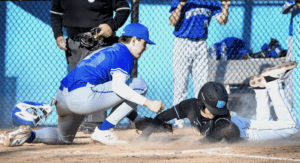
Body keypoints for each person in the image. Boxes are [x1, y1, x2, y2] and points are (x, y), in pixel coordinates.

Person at [1, 23, 165, 147]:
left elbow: (116, 97)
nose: (145, 48)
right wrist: (148, 103)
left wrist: (137, 119)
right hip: (83, 97)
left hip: (62, 97)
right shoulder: (124, 54)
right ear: (134, 40)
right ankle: (103, 131)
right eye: (144, 43)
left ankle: (25, 136)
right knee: (138, 84)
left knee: (64, 137)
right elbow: (119, 89)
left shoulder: (110, 50)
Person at [147, 62, 299, 142]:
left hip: (244, 133)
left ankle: (272, 82)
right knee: (267, 123)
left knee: (291, 127)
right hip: (239, 124)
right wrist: (146, 133)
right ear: (201, 103)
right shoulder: (190, 106)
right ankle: (260, 90)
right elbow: (163, 117)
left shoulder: (222, 118)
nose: (216, 113)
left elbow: (212, 140)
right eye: (212, 110)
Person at [50, 0, 131, 133]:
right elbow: (55, 13)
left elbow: (124, 8)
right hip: (74, 43)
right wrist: (58, 35)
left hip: (100, 42)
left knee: (98, 82)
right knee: (77, 85)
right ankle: (76, 124)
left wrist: (112, 26)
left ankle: (96, 123)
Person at [169, 0, 231, 128]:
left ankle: (202, 121)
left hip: (201, 44)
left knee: (202, 86)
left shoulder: (210, 2)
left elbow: (222, 21)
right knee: (180, 86)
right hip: (182, 43)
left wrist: (225, 6)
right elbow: (172, 22)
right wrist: (181, 5)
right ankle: (179, 122)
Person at [281, 1, 300, 108]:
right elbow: (284, 9)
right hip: (296, 37)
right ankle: (290, 110)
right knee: (291, 74)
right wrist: (296, 3)